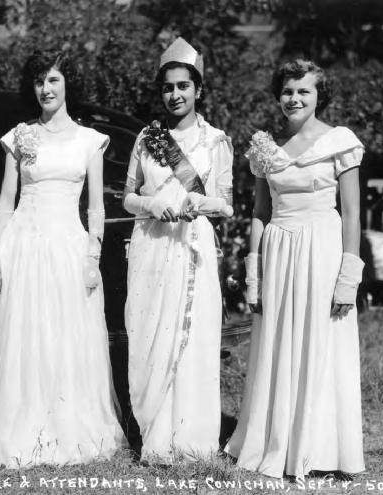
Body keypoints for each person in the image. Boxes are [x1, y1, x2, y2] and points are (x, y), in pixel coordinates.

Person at [0, 49, 126, 468]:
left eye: (54, 80)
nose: (46, 88)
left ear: (68, 86)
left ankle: (69, 429)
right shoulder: (19, 136)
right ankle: (25, 429)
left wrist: (93, 257)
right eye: (40, 80)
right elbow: (5, 203)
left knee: (66, 337)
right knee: (27, 336)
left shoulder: (89, 141)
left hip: (68, 246)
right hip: (25, 244)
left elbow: (96, 208)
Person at [226, 59, 366, 479]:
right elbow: (258, 212)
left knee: (320, 344)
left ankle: (319, 449)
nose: (295, 98)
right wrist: (255, 275)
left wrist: (348, 278)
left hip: (322, 249)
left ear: (320, 95)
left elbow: (354, 215)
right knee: (277, 344)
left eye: (304, 90)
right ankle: (275, 443)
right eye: (288, 91)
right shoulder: (266, 149)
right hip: (280, 251)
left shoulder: (339, 141)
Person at [122, 38, 234, 463]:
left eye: (183, 86)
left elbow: (225, 203)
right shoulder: (146, 139)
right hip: (152, 246)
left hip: (192, 248)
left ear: (198, 90)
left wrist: (194, 203)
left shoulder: (216, 141)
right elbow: (128, 197)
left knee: (190, 341)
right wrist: (152, 204)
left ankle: (191, 439)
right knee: (151, 336)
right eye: (168, 87)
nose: (175, 95)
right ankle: (156, 435)